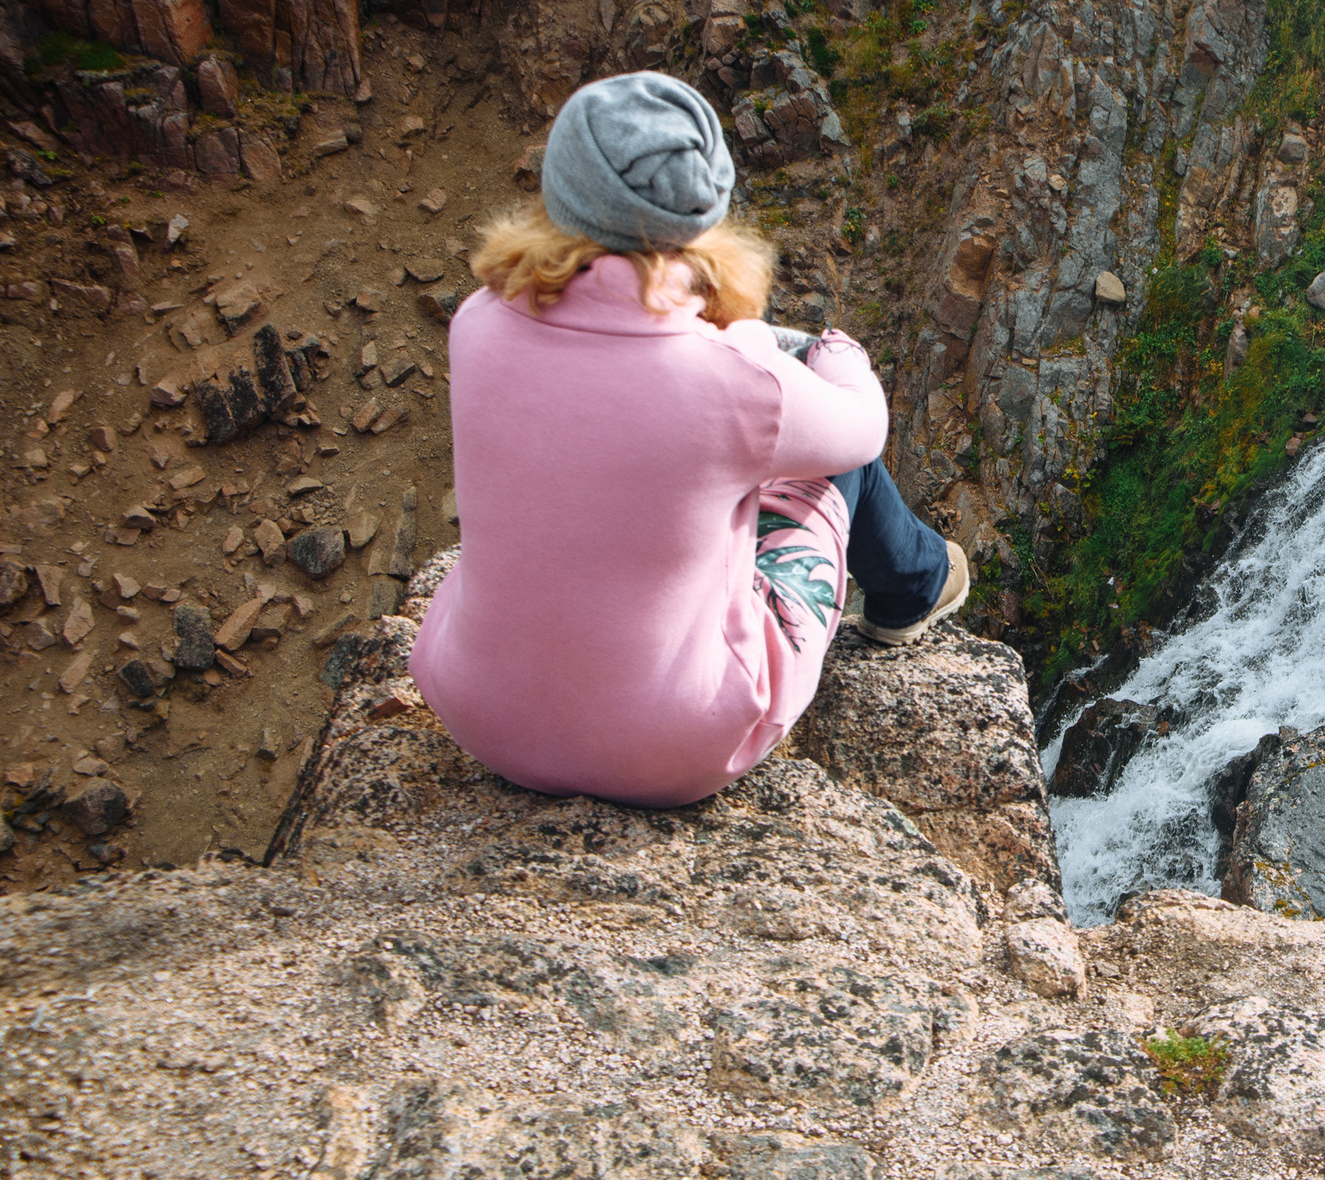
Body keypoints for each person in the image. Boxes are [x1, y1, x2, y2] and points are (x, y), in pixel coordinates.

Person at [408, 71, 970, 810]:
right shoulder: (730, 380)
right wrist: (814, 347)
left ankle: (915, 579)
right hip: (671, 751)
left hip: (484, 715)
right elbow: (861, 429)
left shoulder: (477, 323)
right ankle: (914, 588)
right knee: (835, 468)